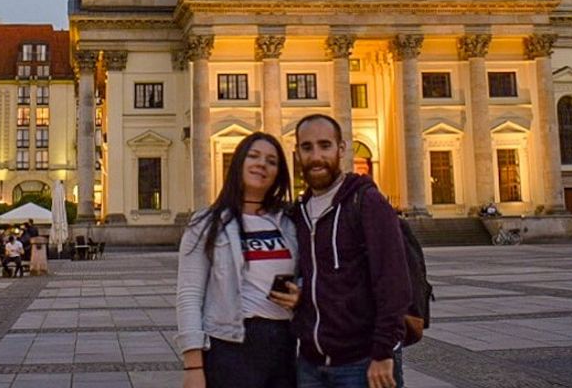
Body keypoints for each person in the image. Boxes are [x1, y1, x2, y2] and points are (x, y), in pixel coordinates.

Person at [292, 114, 413, 388]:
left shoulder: (367, 202)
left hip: (362, 363)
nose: (316, 156)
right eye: (307, 147)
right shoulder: (298, 214)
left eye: (325, 145)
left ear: (341, 149)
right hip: (311, 364)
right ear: (297, 153)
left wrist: (383, 353)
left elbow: (394, 284)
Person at [176, 131, 299, 388]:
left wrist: (302, 296)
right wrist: (193, 365)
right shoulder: (206, 224)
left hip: (283, 346)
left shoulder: (289, 224)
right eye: (253, 156)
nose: (262, 164)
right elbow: (189, 295)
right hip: (229, 347)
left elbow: (309, 275)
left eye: (271, 161)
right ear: (238, 163)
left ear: (279, 173)